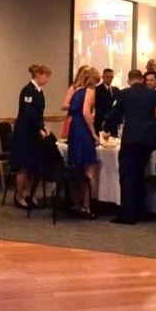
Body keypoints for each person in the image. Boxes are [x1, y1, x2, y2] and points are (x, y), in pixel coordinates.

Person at [112, 70, 156, 224]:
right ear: (141, 79)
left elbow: (115, 114)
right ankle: (141, 210)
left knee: (128, 176)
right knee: (140, 175)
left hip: (131, 139)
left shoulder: (125, 94)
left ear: (129, 80)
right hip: (148, 140)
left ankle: (128, 214)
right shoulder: (152, 94)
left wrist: (108, 126)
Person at [9, 63, 54, 209]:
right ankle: (19, 196)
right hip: (24, 134)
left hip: (34, 134)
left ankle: (31, 195)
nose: (47, 80)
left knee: (35, 166)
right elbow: (28, 113)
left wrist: (43, 126)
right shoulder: (28, 91)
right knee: (23, 166)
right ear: (38, 75)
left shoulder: (39, 92)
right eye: (46, 76)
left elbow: (39, 115)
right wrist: (39, 128)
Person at [64, 66, 100, 218]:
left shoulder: (76, 91)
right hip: (83, 129)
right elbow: (86, 112)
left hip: (74, 128)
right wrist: (94, 133)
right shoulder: (89, 91)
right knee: (90, 168)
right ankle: (87, 205)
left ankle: (76, 203)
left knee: (76, 167)